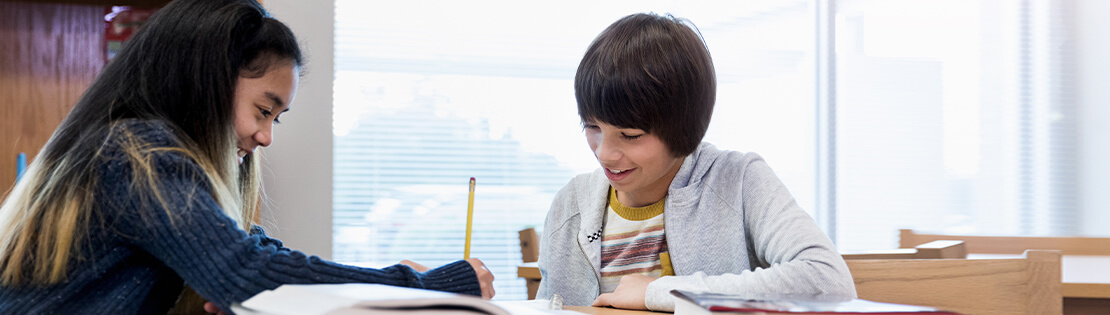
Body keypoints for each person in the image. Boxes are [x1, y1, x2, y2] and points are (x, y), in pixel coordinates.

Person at [0, 0, 492, 313]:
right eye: (263, 110)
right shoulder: (136, 155)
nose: (266, 137)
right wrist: (423, 287)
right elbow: (247, 272)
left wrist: (403, 285)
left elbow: (259, 257)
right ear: (205, 82)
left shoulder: (133, 151)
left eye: (276, 118)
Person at [535, 13, 856, 312]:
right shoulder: (571, 204)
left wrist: (660, 292)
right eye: (592, 127)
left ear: (684, 128)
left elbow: (828, 281)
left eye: (630, 135)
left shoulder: (739, 181)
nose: (604, 153)